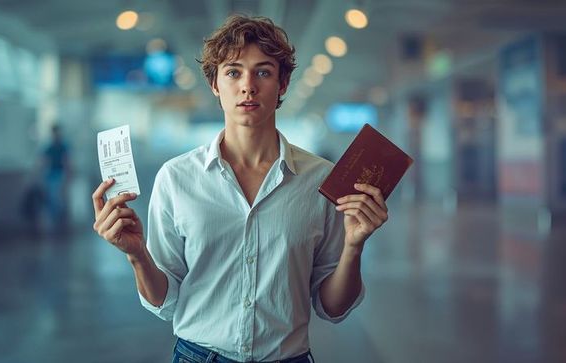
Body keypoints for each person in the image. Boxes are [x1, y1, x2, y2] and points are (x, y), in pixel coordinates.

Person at [92, 15, 389, 363]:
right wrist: (137, 254)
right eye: (233, 72)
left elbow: (333, 306)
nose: (248, 86)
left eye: (263, 72)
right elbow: (165, 300)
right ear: (215, 84)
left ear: (282, 84)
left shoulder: (321, 180)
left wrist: (354, 246)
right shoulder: (176, 178)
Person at [42, 124, 71, 232]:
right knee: (53, 201)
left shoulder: (63, 146)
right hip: (52, 176)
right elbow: (43, 161)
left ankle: (61, 225)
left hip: (60, 175)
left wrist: (68, 176)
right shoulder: (49, 146)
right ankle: (56, 225)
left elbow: (67, 162)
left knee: (61, 201)